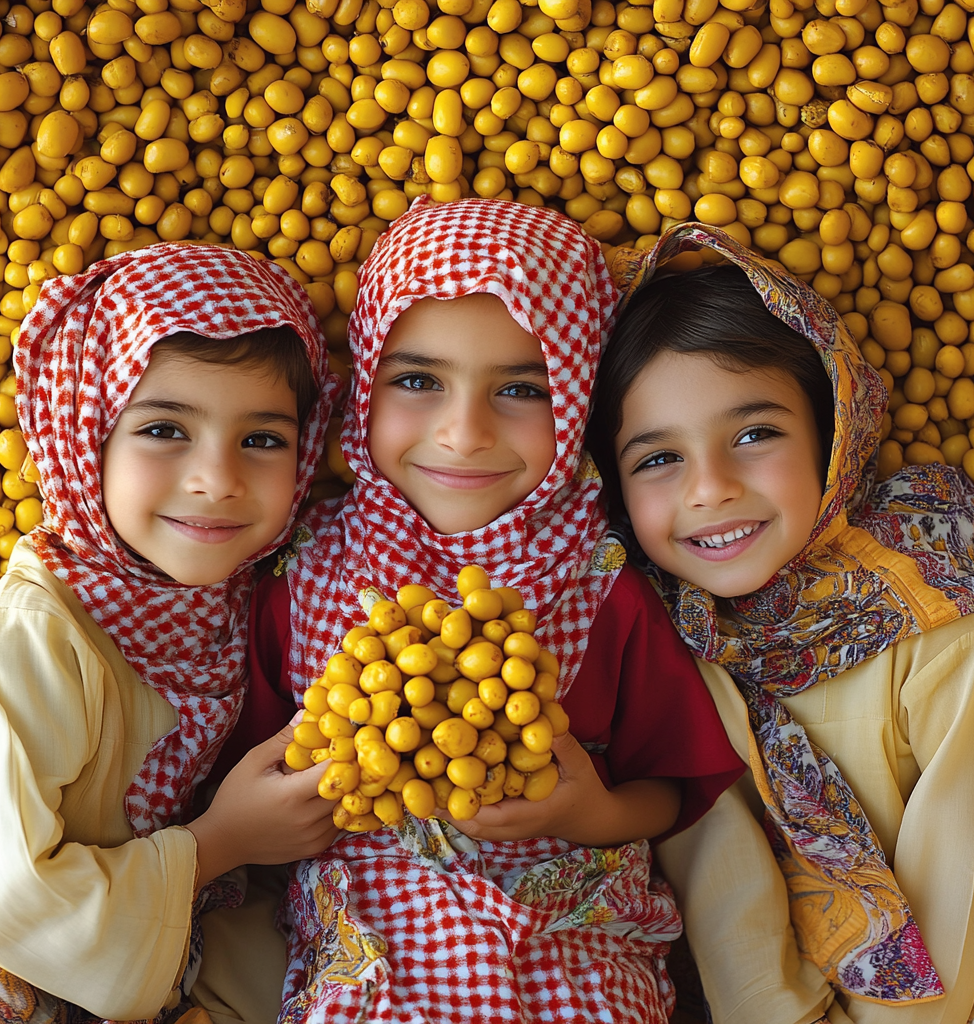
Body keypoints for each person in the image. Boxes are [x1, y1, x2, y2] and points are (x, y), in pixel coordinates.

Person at [246, 197, 745, 1023]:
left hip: (575, 964)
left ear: (583, 400)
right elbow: (248, 773)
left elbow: (672, 781)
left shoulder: (602, 580)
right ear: (363, 382)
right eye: (417, 381)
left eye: (521, 388)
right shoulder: (300, 571)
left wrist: (595, 812)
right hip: (373, 972)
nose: (464, 432)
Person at [587, 221, 974, 1024]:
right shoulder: (650, 640)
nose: (711, 488)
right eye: (658, 458)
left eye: (756, 434)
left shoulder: (936, 611)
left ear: (834, 435)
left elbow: (962, 889)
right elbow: (725, 907)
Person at [0, 243, 344, 1024]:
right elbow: (8, 894)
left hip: (175, 910)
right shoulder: (39, 631)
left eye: (262, 439)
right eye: (166, 429)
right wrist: (219, 844)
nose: (219, 479)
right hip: (16, 946)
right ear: (82, 440)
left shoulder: (240, 596)